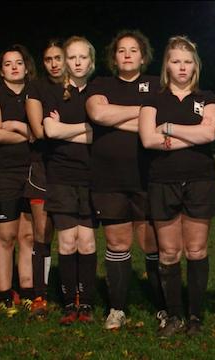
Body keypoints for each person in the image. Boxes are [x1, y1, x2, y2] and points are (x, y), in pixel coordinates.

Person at [85, 29, 165, 330]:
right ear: (114, 57)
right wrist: (144, 114)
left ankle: (163, 308)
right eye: (122, 50)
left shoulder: (157, 84)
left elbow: (160, 123)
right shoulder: (101, 84)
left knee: (151, 243)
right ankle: (117, 308)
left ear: (143, 56)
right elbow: (99, 115)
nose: (128, 54)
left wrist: (119, 116)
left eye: (134, 50)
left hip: (148, 177)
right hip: (109, 179)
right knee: (118, 243)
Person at [138, 36, 215, 337]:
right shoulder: (153, 99)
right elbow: (147, 139)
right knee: (169, 251)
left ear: (195, 65)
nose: (182, 67)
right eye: (175, 61)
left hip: (200, 179)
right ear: (167, 66)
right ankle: (174, 316)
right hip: (162, 180)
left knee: (196, 249)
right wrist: (191, 135)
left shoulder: (207, 97)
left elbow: (209, 133)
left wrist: (168, 130)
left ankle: (195, 316)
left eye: (187, 61)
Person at [43, 36, 97, 325]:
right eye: (71, 57)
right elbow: (50, 131)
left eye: (82, 57)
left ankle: (85, 302)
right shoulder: (53, 93)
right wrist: (85, 129)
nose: (77, 62)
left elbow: (98, 134)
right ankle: (68, 304)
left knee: (86, 243)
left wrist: (67, 128)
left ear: (90, 61)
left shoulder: (99, 92)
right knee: (67, 243)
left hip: (91, 177)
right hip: (61, 175)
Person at [0, 44, 37, 316]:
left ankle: (27, 291)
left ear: (27, 66)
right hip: (2, 173)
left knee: (28, 235)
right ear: (1, 70)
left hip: (31, 172)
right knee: (6, 237)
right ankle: (5, 294)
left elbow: (39, 132)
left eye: (18, 62)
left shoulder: (35, 92)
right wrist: (29, 134)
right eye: (7, 63)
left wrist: (16, 126)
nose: (14, 67)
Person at [24, 40, 66, 315]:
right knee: (42, 233)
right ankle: (41, 294)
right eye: (48, 58)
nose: (53, 63)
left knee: (74, 235)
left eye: (58, 58)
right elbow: (39, 131)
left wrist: (58, 125)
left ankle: (74, 292)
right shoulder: (36, 88)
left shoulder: (78, 86)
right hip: (42, 169)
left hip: (74, 168)